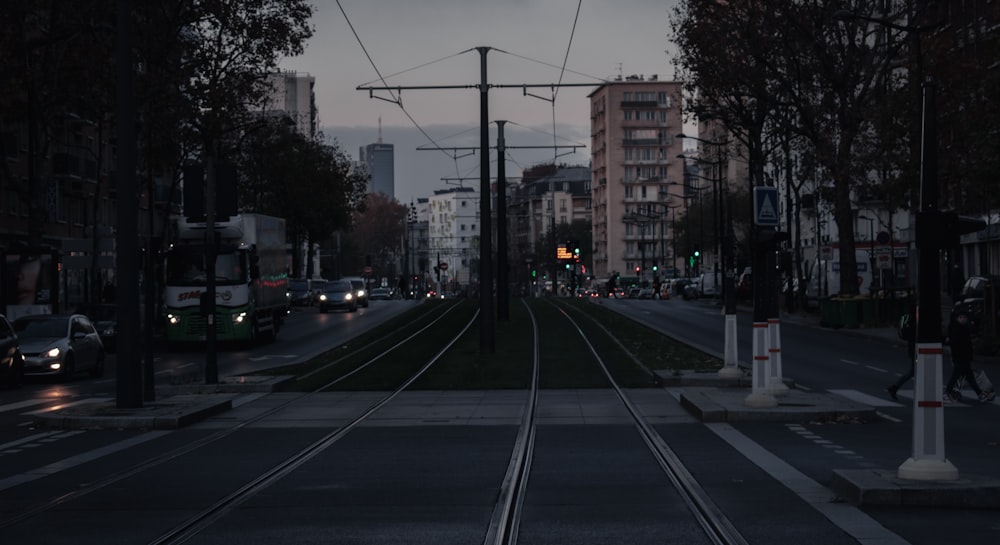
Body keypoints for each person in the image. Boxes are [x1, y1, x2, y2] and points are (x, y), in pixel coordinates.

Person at [944, 312, 996, 403]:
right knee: (958, 376)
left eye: (964, 317)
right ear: (957, 318)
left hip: (964, 357)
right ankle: (946, 393)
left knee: (969, 377)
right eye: (961, 317)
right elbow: (956, 343)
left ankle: (980, 394)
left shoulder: (964, 328)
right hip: (960, 357)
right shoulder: (956, 329)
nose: (963, 319)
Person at [887, 304, 917, 401]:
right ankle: (895, 387)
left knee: (914, 370)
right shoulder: (915, 319)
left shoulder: (912, 316)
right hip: (916, 347)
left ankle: (895, 387)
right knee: (915, 370)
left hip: (913, 347)